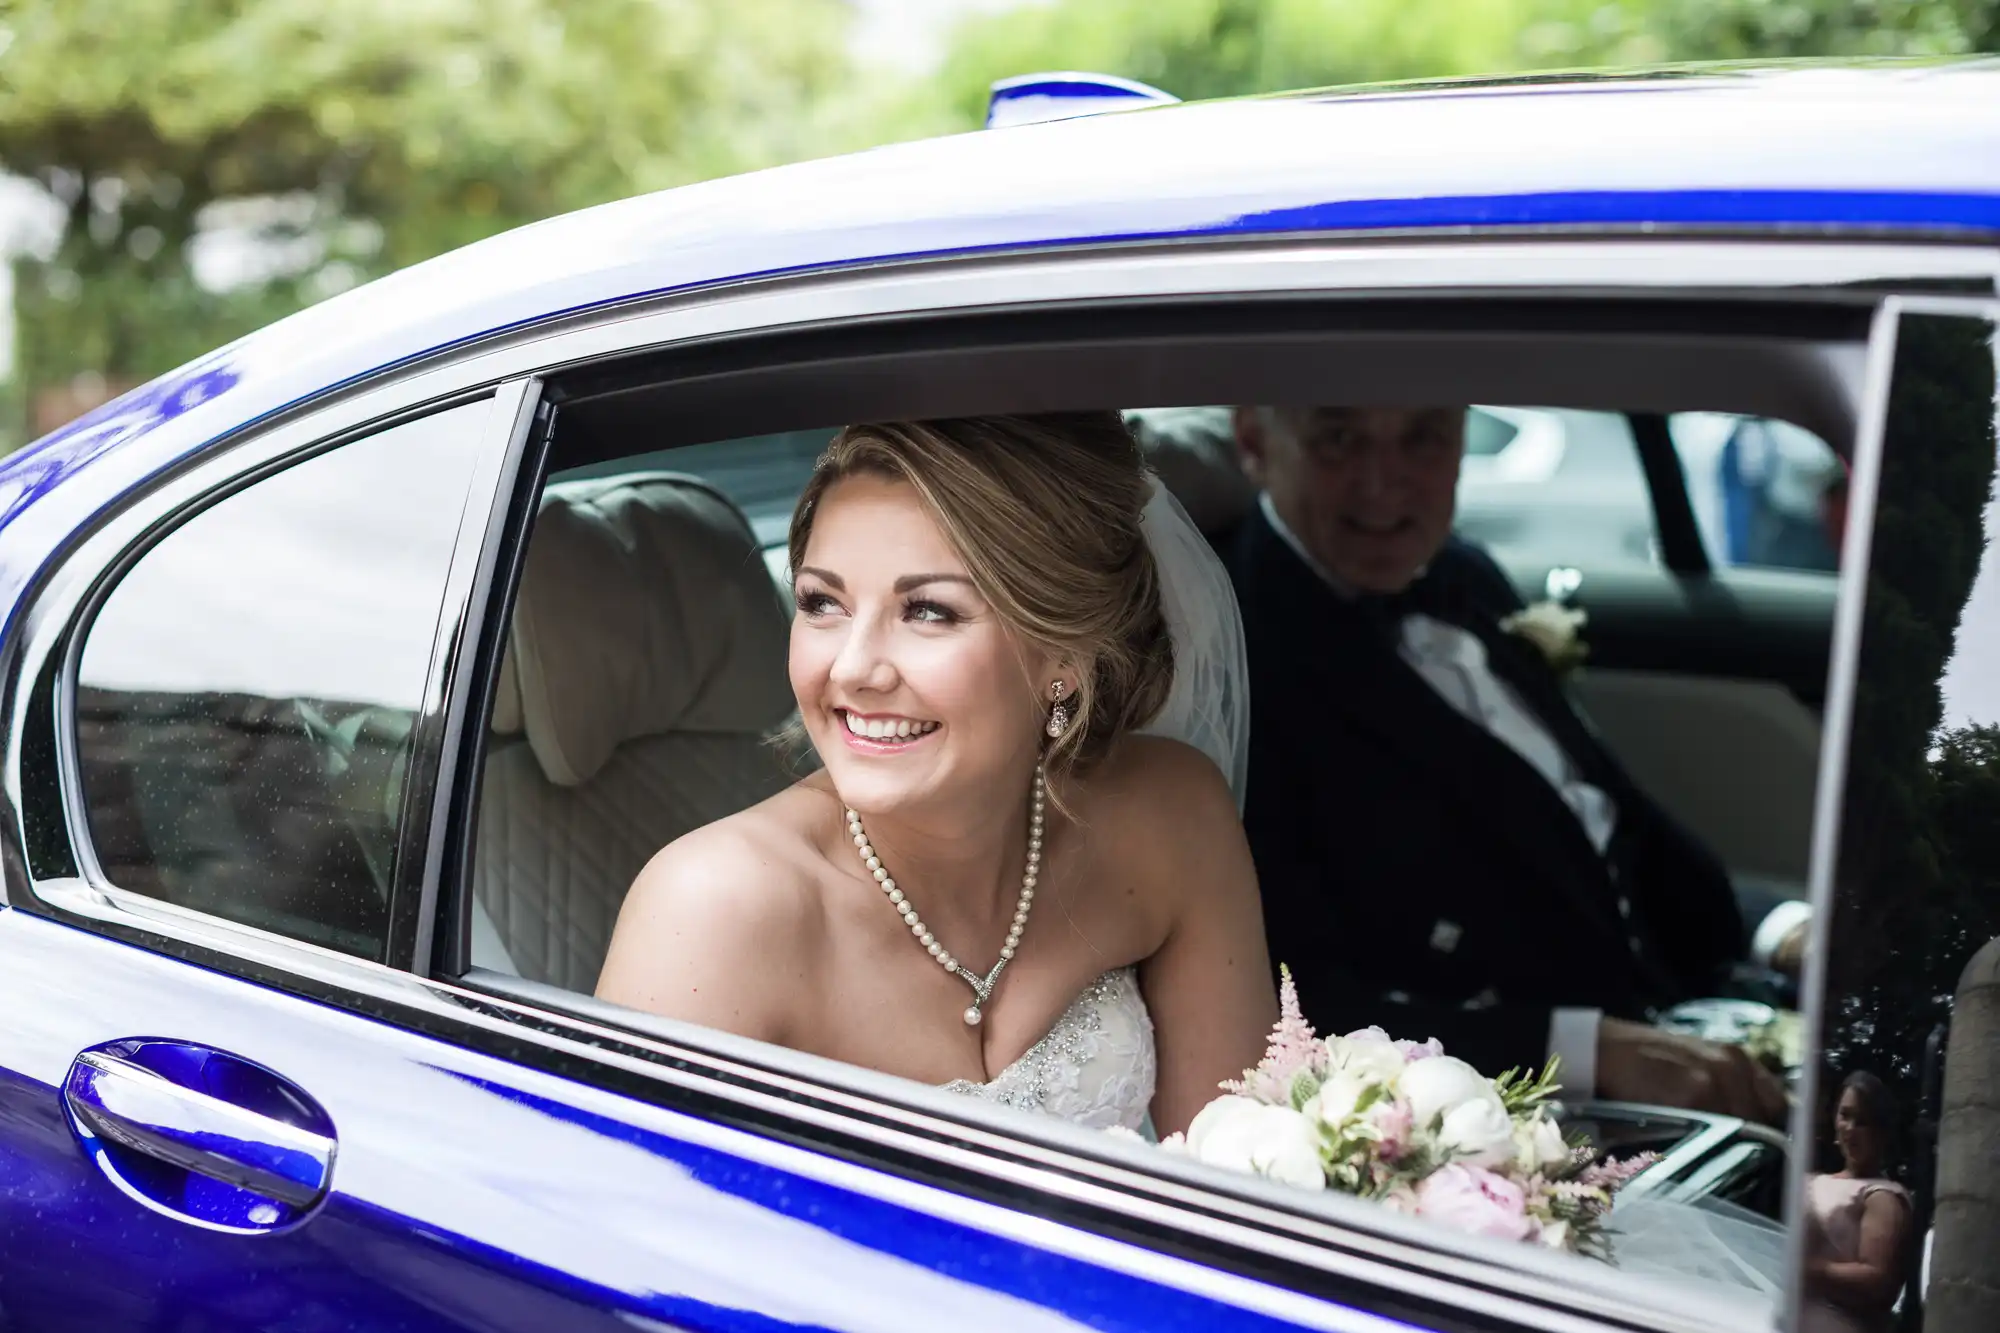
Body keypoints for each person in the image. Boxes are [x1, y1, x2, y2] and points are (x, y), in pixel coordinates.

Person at [596, 413, 1276, 1136]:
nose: (853, 668)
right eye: (822, 602)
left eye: (927, 611)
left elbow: (1250, 1177)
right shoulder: (711, 910)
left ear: (1065, 658)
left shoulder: (1169, 814)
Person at [1223, 404, 1802, 1122]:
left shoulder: (1464, 574)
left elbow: (1594, 819)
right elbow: (1292, 1001)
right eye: (1338, 438)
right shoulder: (1238, 664)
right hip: (1520, 1107)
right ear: (1253, 438)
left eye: (1423, 435)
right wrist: (1587, 1051)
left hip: (1699, 1000)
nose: (1383, 485)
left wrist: (1779, 927)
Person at [1802, 1072, 1914, 1332]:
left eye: (1863, 1121)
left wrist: (1807, 1268)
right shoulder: (1811, 1179)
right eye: (1845, 1115)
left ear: (1881, 1132)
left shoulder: (1883, 1196)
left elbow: (1877, 1279)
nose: (1850, 1128)